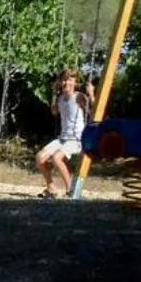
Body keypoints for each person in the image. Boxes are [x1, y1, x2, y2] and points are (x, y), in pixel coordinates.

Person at [36, 70, 92, 198]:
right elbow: (54, 112)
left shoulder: (79, 97)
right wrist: (54, 94)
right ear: (60, 82)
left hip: (77, 139)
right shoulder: (60, 98)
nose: (67, 82)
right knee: (40, 157)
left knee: (56, 158)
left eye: (70, 80)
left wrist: (91, 94)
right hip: (62, 138)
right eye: (64, 80)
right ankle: (51, 188)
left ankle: (71, 191)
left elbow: (93, 112)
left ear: (75, 82)